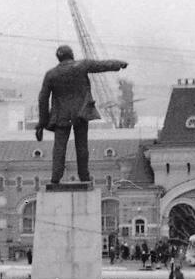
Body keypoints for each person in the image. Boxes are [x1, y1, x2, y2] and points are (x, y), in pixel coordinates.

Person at [35, 43, 128, 184]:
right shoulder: (81, 65)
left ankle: (55, 177)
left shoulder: (51, 74)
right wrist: (119, 64)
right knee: (82, 146)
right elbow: (102, 65)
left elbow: (43, 99)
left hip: (61, 115)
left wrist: (42, 123)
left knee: (59, 148)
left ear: (58, 58)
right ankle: (84, 176)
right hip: (81, 113)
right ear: (71, 55)